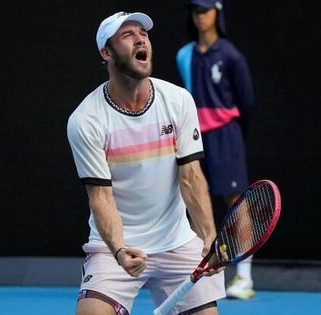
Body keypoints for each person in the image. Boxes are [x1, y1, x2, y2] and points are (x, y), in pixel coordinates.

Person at [67, 11, 226, 315]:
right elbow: (101, 196)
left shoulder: (178, 100)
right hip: (116, 245)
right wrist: (119, 250)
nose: (140, 38)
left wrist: (207, 235)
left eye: (143, 33)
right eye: (127, 35)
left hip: (177, 242)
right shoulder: (86, 120)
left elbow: (190, 176)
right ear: (106, 52)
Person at [176, 0, 256, 299]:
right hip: (195, 135)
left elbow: (246, 103)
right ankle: (196, 273)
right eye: (196, 11)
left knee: (236, 202)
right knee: (193, 197)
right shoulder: (184, 55)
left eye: (206, 10)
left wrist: (232, 134)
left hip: (226, 134)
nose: (200, 16)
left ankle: (244, 278)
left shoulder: (232, 56)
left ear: (217, 13)